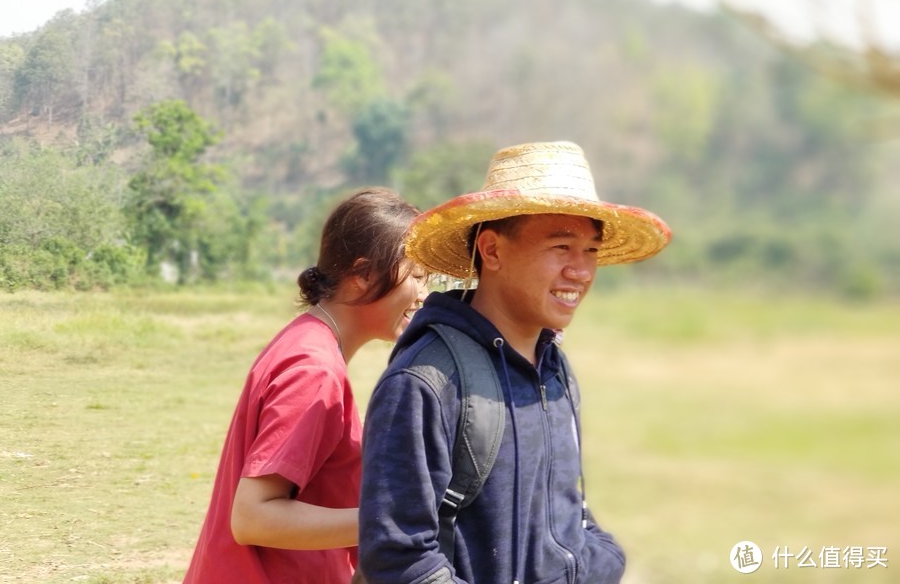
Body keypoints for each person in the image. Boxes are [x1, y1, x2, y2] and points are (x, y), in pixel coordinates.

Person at [357, 142, 672, 584]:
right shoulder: (426, 382)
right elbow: (400, 559)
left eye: (591, 251)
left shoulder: (554, 369)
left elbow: (568, 513)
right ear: (492, 250)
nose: (580, 271)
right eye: (561, 246)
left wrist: (602, 559)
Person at [184, 187, 429, 584]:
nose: (423, 294)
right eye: (416, 276)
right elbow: (253, 517)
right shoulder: (314, 369)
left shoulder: (307, 342)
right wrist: (389, 522)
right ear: (363, 274)